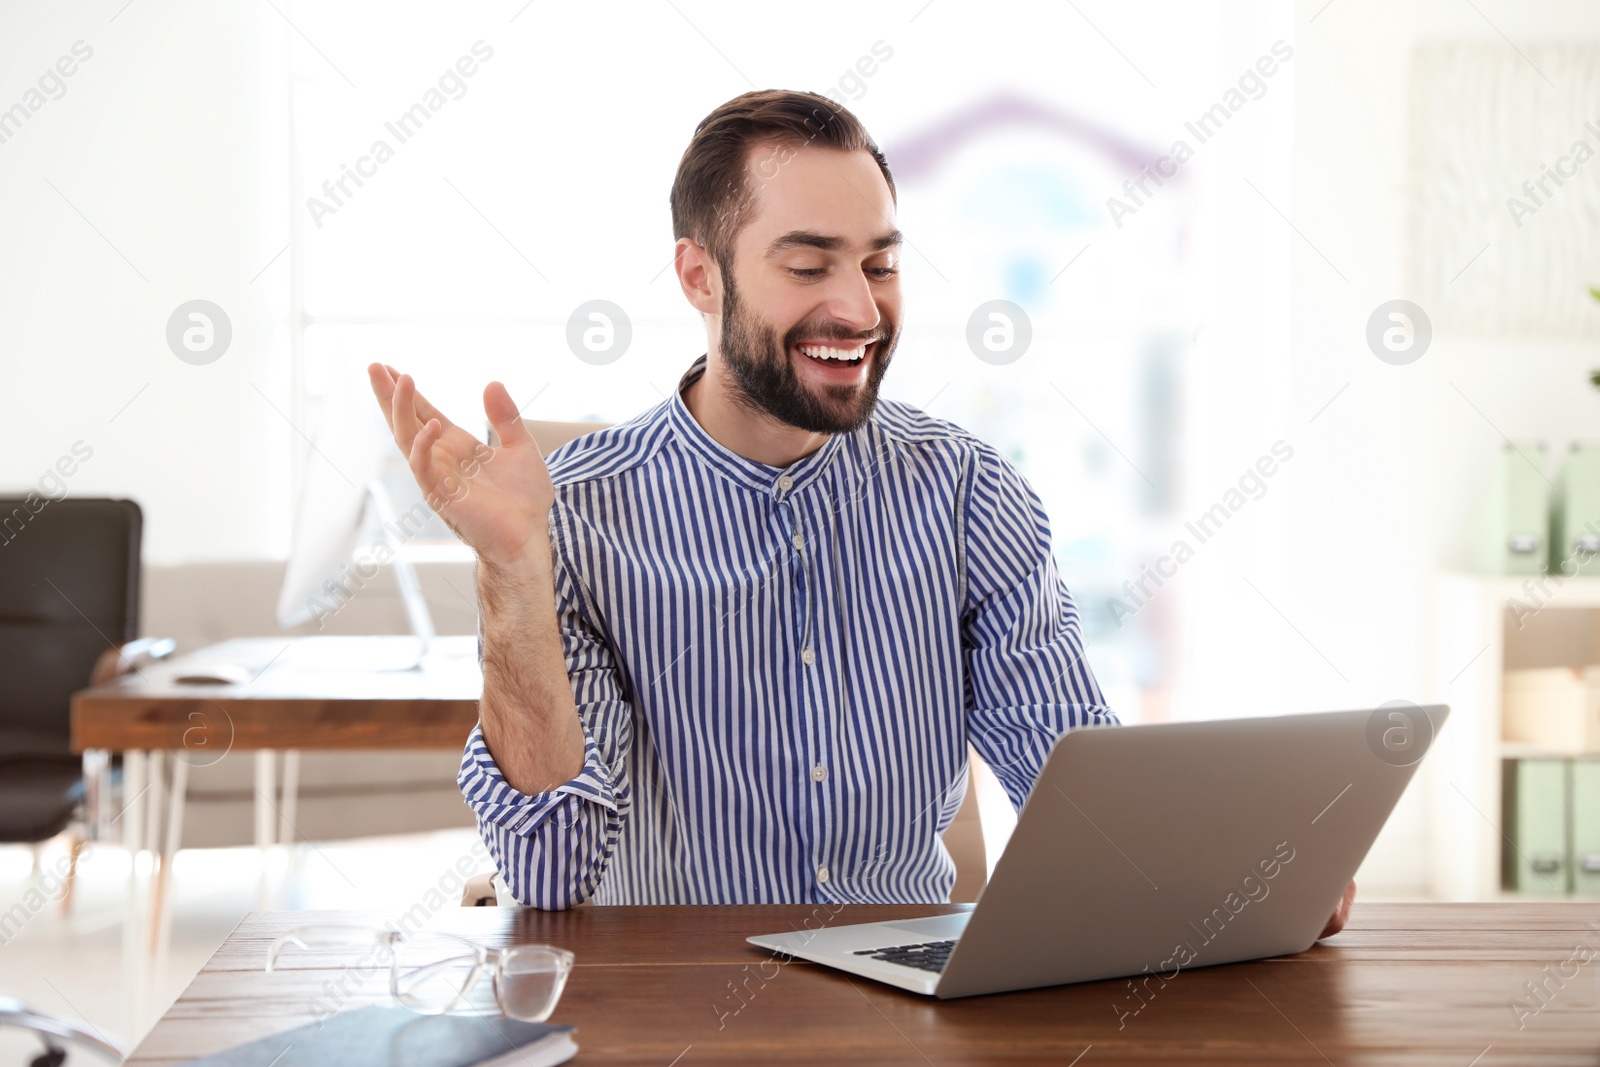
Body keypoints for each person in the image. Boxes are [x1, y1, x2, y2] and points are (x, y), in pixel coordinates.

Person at [367, 88, 1354, 938]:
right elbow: (545, 872)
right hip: (669, 1009)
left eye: (878, 262)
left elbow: (1077, 790)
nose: (860, 308)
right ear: (699, 276)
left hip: (905, 1005)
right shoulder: (577, 518)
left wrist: (1233, 873)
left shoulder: (968, 493)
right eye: (808, 265)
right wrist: (512, 576)